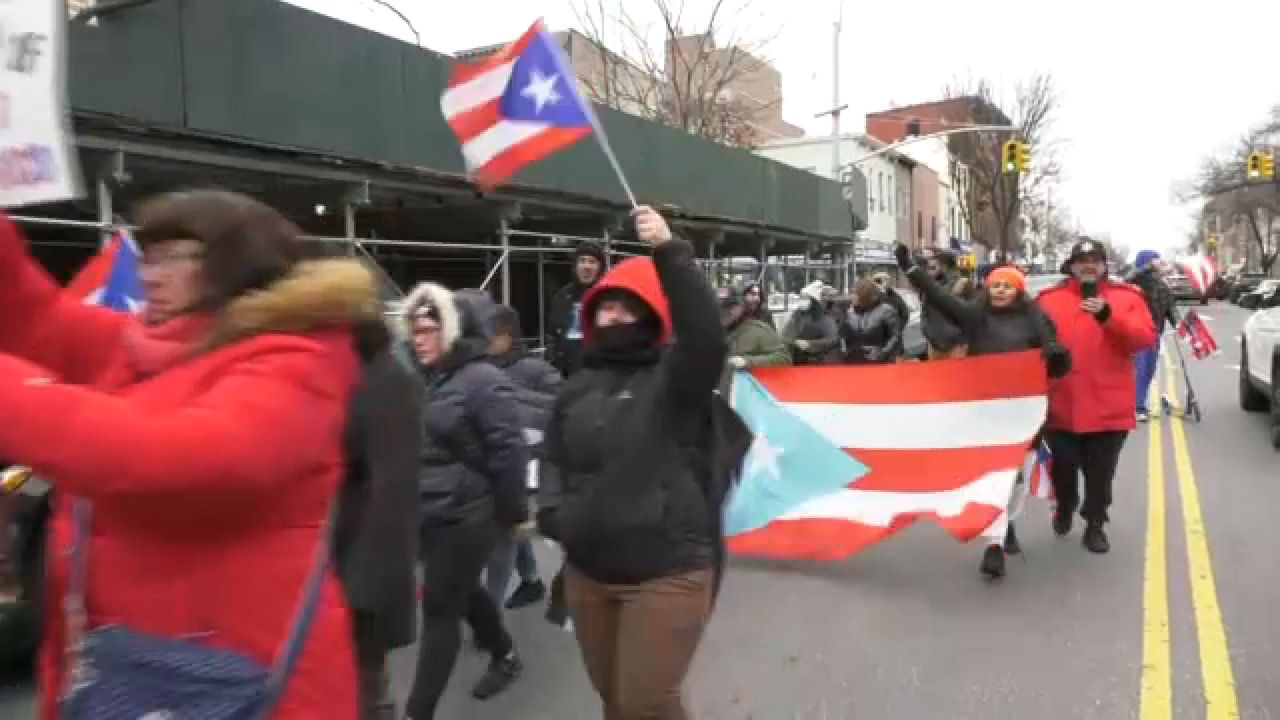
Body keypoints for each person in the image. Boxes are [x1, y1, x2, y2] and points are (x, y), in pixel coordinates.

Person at [0, 191, 376, 717]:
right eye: (148, 255)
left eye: (176, 257)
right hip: (129, 680)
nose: (149, 275)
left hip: (242, 691)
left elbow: (169, 455)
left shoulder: (299, 363)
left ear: (239, 264)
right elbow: (29, 314)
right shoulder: (145, 347)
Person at [537, 205, 742, 720]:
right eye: (605, 307)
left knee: (643, 702)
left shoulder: (678, 381)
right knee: (616, 701)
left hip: (668, 572)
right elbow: (554, 461)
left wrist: (670, 253)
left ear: (653, 314)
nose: (614, 317)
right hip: (589, 574)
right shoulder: (576, 389)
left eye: (629, 307)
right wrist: (556, 515)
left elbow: (705, 338)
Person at [897, 246, 1072, 579]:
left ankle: (1008, 522)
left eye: (1007, 286)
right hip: (986, 412)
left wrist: (1059, 359)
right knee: (996, 477)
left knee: (1019, 478)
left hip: (1025, 412)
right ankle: (995, 542)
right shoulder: (976, 317)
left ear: (1018, 290)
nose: (1001, 290)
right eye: (995, 285)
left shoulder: (1037, 321)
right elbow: (940, 297)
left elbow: (1058, 365)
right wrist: (911, 269)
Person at [402, 285, 529, 719]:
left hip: (470, 515)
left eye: (429, 329)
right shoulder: (426, 378)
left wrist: (511, 515)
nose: (418, 338)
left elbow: (509, 454)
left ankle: (417, 713)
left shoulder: (484, 381)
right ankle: (506, 655)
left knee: (440, 608)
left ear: (454, 331)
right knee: (463, 589)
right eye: (414, 329)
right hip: (430, 510)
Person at [1037, 239, 1156, 554]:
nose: (1089, 265)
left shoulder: (1127, 298)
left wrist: (1108, 316)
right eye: (1082, 259)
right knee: (1062, 469)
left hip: (1108, 407)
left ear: (1105, 265)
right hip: (1061, 406)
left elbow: (1143, 338)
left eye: (1095, 260)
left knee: (1100, 475)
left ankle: (1095, 523)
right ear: (1071, 265)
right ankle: (1065, 504)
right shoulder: (1049, 300)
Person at [335, 319, 423, 720]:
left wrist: (364, 593)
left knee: (366, 690)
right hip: (312, 568)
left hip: (355, 574)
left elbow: (390, 494)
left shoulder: (386, 377)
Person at [483, 304, 560, 610]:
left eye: (495, 332)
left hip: (528, 468)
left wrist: (514, 398)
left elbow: (560, 406)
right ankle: (530, 580)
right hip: (491, 467)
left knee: (505, 536)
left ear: (509, 334)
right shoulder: (478, 369)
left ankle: (490, 617)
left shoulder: (535, 369)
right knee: (512, 528)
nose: (488, 339)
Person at [1127, 250, 1178, 422]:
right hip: (1139, 331)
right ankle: (1138, 406)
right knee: (1140, 369)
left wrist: (1177, 323)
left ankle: (1140, 403)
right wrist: (1147, 267)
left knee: (1149, 369)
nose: (1160, 263)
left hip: (1155, 332)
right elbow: (1130, 276)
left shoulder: (1162, 285)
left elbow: (1170, 307)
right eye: (1155, 260)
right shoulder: (1138, 281)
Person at [546, 241, 606, 377]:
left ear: (600, 267)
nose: (586, 266)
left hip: (598, 375)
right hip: (566, 375)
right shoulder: (563, 296)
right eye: (582, 261)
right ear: (575, 266)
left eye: (592, 262)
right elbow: (552, 336)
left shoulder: (608, 296)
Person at [718, 286, 790, 395]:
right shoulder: (712, 330)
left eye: (728, 307)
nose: (722, 312)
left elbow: (784, 359)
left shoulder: (758, 330)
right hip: (718, 396)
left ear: (740, 307)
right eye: (718, 307)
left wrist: (747, 361)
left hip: (748, 397)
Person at [920, 250, 972, 359]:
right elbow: (925, 311)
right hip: (934, 343)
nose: (931, 269)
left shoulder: (961, 282)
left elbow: (967, 312)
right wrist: (927, 331)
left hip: (954, 344)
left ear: (943, 265)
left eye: (934, 266)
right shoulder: (932, 283)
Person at [840, 279, 902, 364]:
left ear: (865, 295)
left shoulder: (885, 310)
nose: (852, 297)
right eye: (852, 293)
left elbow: (896, 336)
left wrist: (883, 352)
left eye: (856, 294)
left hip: (878, 362)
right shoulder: (850, 312)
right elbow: (846, 338)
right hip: (854, 363)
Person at [782, 280, 840, 365]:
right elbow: (785, 336)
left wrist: (810, 344)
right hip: (797, 360)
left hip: (820, 362)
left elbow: (832, 339)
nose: (802, 300)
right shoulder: (797, 315)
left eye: (806, 298)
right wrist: (793, 342)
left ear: (814, 300)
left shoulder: (826, 317)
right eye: (801, 297)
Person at [872, 271, 911, 358]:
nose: (880, 283)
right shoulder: (872, 296)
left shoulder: (895, 296)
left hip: (893, 340)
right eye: (877, 280)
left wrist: (897, 328)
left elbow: (905, 313)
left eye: (882, 280)